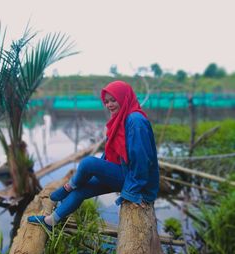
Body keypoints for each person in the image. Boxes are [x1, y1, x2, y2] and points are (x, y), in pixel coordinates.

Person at [27, 80, 160, 231]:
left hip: (135, 181)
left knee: (88, 163)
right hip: (123, 171)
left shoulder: (136, 121)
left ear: (124, 98)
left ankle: (69, 186)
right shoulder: (120, 117)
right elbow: (111, 152)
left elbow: (141, 160)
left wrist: (132, 193)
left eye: (113, 100)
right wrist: (99, 171)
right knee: (82, 190)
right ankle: (51, 221)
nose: (109, 105)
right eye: (106, 101)